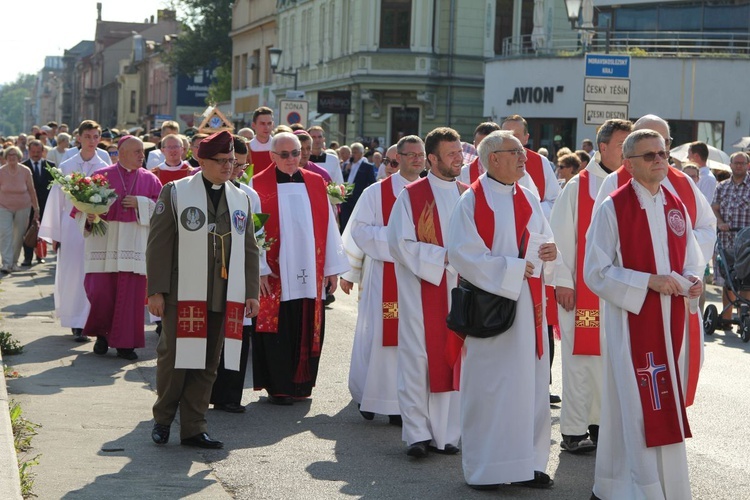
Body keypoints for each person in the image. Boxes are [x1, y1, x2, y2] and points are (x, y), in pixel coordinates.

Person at [585, 129, 704, 500]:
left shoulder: (675, 204)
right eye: (650, 155)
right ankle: (638, 488)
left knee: (655, 405)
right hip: (632, 324)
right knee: (635, 408)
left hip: (671, 325)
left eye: (663, 154)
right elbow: (596, 272)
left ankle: (662, 486)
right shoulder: (613, 207)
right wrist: (646, 282)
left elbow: (690, 259)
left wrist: (693, 281)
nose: (659, 161)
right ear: (630, 163)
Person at [447, 130, 556, 490]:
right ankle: (486, 469)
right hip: (490, 309)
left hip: (530, 307)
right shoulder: (471, 201)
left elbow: (543, 239)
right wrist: (511, 268)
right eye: (516, 152)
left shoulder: (528, 196)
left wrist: (549, 253)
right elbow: (464, 254)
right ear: (493, 158)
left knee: (533, 386)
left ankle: (530, 464)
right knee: (491, 387)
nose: (525, 158)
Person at [148, 130, 260, 447]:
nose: (228, 167)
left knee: (208, 362)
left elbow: (250, 248)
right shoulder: (175, 192)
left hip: (223, 292)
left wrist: (251, 291)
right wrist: (155, 290)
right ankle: (164, 419)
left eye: (232, 161)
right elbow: (158, 245)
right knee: (175, 359)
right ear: (201, 160)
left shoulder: (241, 197)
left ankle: (194, 426)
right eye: (222, 161)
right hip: (180, 291)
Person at [549, 118, 632, 454]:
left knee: (613, 362)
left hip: (620, 292)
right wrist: (563, 282)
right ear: (602, 148)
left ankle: (602, 427)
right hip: (581, 292)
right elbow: (560, 237)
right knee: (581, 361)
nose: (627, 154)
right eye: (621, 146)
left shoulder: (633, 184)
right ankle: (572, 430)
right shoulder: (579, 186)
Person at [252, 132, 349, 404]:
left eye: (295, 153)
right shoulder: (258, 185)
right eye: (284, 155)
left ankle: (301, 384)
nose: (291, 159)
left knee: (306, 324)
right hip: (274, 272)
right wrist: (259, 269)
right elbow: (253, 231)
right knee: (278, 327)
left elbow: (329, 227)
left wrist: (332, 268)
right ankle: (279, 386)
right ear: (272, 156)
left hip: (310, 269)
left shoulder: (316, 183)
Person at [386, 128, 465, 458]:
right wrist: (442, 257)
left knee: (455, 358)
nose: (459, 158)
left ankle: (448, 434)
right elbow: (400, 244)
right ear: (432, 159)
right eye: (451, 154)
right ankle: (417, 433)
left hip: (461, 292)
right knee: (418, 360)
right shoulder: (412, 195)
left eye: (460, 152)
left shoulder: (469, 193)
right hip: (423, 290)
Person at [341, 135, 425, 426]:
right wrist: (399, 245)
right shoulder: (376, 193)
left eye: (421, 154)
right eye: (410, 154)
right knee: (380, 337)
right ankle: (378, 396)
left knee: (415, 340)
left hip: (422, 277)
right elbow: (360, 231)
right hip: (386, 274)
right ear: (397, 159)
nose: (416, 159)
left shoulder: (432, 191)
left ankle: (408, 400)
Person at [80, 136, 162, 360]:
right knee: (100, 293)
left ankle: (126, 344)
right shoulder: (101, 176)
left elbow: (163, 213)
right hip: (104, 244)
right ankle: (102, 335)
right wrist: (89, 215)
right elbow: (80, 209)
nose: (141, 156)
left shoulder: (151, 179)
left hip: (134, 246)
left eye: (142, 152)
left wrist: (142, 203)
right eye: (137, 152)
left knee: (130, 297)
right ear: (122, 152)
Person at [208, 135, 264, 414]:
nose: (236, 170)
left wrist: (255, 283)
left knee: (236, 333)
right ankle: (200, 391)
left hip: (237, 277)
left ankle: (229, 395)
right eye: (232, 163)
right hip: (206, 275)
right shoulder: (196, 191)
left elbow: (257, 242)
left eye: (241, 166)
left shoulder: (247, 195)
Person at [40, 120, 109, 341]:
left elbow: (109, 193)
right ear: (78, 138)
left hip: (96, 222)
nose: (92, 141)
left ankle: (91, 318)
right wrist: (55, 233)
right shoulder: (67, 165)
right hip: (72, 224)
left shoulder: (105, 161)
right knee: (73, 272)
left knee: (94, 271)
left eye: (96, 136)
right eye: (88, 136)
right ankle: (76, 322)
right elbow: (57, 200)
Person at [712, 151, 750, 324]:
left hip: (747, 245)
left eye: (742, 163)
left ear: (748, 165)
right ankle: (726, 320)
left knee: (746, 281)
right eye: (736, 163)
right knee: (728, 281)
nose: (739, 166)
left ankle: (744, 317)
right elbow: (715, 208)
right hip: (727, 241)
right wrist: (720, 223)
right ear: (731, 164)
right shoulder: (722, 186)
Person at [0, 146, 39, 273]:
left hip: (23, 206)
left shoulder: (25, 171)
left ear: (19, 157)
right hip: (4, 206)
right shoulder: (1, 171)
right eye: (9, 155)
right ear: (5, 157)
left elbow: (32, 190)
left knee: (18, 235)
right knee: (5, 233)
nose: (12, 157)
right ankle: (6, 263)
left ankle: (14, 263)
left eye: (14, 155)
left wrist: (36, 208)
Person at [21, 140, 54, 266]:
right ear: (29, 152)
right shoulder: (23, 167)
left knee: (43, 231)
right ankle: (27, 258)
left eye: (38, 152)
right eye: (33, 152)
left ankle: (40, 255)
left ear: (43, 152)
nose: (35, 154)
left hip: (46, 204)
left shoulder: (51, 166)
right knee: (29, 230)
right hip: (28, 204)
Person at [340, 142, 376, 231]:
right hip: (346, 197)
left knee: (356, 222)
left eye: (355, 152)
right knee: (344, 221)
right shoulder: (347, 164)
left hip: (358, 197)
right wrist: (346, 170)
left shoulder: (367, 166)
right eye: (352, 152)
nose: (353, 154)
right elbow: (342, 178)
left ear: (361, 153)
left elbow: (372, 182)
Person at [249, 107, 275, 176]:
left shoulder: (280, 147)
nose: (266, 127)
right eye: (262, 123)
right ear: (253, 125)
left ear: (273, 125)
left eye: (269, 123)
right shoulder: (247, 148)